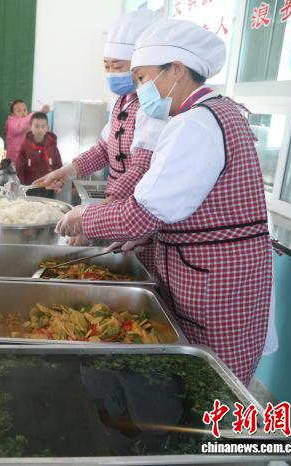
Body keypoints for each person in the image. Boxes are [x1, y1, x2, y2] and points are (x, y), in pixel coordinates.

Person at [55, 19, 272, 385]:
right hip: (211, 274)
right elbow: (181, 205)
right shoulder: (212, 113)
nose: (141, 90)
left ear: (177, 69)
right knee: (201, 381)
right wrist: (141, 232)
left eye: (143, 78)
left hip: (216, 286)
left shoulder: (196, 124)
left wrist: (85, 216)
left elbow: (142, 213)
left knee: (214, 385)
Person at [36, 9, 161, 268]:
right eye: (107, 66)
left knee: (139, 268)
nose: (112, 73)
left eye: (118, 66)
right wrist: (66, 171)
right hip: (116, 208)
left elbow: (142, 167)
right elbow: (103, 150)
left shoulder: (154, 106)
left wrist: (93, 215)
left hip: (139, 210)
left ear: (139, 66)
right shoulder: (120, 101)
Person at [16, 112, 62, 198]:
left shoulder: (52, 146)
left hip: (48, 187)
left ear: (47, 128)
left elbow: (58, 166)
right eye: (37, 126)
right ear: (30, 127)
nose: (40, 130)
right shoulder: (25, 147)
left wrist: (58, 183)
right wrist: (20, 186)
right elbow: (20, 169)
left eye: (43, 127)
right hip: (30, 188)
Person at [4, 99, 50, 165]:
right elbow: (21, 125)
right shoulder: (11, 122)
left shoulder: (28, 122)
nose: (23, 112)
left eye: (25, 110)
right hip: (14, 158)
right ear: (12, 114)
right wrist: (39, 113)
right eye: (19, 111)